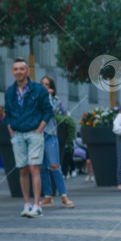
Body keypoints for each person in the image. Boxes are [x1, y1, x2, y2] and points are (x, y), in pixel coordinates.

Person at [4, 58, 52, 218]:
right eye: (15, 69)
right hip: (17, 134)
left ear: (27, 71)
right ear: (12, 72)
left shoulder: (38, 89)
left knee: (34, 167)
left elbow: (48, 110)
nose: (18, 71)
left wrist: (40, 128)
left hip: (34, 133)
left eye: (21, 69)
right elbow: (8, 113)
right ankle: (27, 204)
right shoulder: (9, 92)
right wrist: (11, 129)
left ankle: (37, 205)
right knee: (22, 169)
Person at [38, 77, 74, 208]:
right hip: (37, 135)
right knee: (41, 167)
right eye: (42, 84)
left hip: (50, 135)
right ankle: (48, 196)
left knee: (54, 165)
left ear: (51, 88)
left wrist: (48, 95)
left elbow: (51, 111)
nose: (44, 86)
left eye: (47, 85)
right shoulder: (35, 99)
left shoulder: (55, 99)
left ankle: (63, 195)